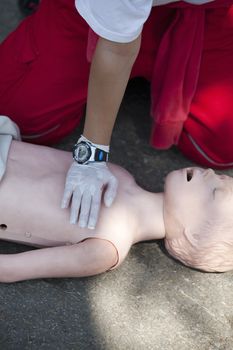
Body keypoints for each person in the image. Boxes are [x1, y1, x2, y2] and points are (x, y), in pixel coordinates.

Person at [0, 0, 233, 230]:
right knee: (17, 118)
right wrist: (91, 156)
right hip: (91, 17)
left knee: (222, 147)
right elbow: (116, 50)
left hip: (204, 15)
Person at [0, 117, 232, 283]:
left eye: (214, 192)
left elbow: (10, 269)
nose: (210, 173)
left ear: (194, 234)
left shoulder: (108, 248)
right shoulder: (121, 176)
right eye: (219, 177)